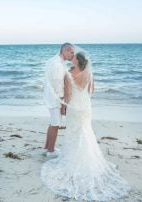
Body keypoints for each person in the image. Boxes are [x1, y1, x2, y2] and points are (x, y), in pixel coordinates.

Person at [41, 51, 131, 201]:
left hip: (74, 108)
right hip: (86, 106)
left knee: (74, 132)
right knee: (86, 131)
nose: (72, 57)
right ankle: (90, 158)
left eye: (74, 57)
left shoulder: (69, 72)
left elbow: (68, 93)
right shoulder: (89, 73)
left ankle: (73, 156)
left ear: (77, 61)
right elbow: (91, 90)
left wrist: (64, 106)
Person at [43, 43, 75, 157]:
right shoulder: (57, 64)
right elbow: (57, 84)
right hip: (55, 98)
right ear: (65, 51)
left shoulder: (54, 61)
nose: (73, 55)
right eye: (71, 52)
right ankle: (51, 151)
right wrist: (62, 101)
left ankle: (47, 147)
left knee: (53, 123)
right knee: (55, 124)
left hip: (50, 96)